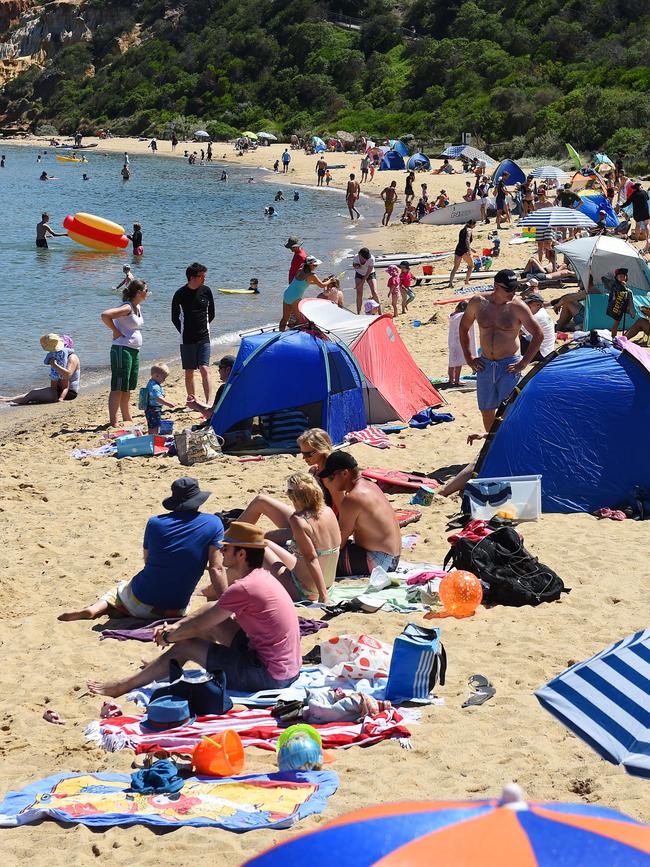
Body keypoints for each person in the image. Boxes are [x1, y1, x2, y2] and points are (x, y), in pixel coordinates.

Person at [86, 521, 301, 696]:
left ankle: (122, 686)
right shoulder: (261, 577)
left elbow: (201, 623)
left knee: (186, 645)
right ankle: (160, 666)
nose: (221, 551)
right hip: (287, 669)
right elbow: (212, 611)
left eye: (226, 548)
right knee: (209, 617)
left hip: (270, 677)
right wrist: (177, 626)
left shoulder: (245, 587)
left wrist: (171, 637)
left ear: (242, 554)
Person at [60, 478, 225, 622]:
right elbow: (216, 569)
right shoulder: (214, 523)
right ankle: (111, 608)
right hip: (176, 609)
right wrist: (228, 604)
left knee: (121, 588)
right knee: (191, 598)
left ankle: (95, 609)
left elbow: (148, 559)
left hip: (142, 602)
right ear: (199, 501)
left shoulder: (155, 523)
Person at [235, 473, 340, 603]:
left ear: (294, 497)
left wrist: (323, 596)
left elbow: (311, 558)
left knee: (256, 549)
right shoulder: (328, 511)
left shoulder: (299, 520)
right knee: (265, 543)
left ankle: (215, 586)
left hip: (304, 591)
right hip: (329, 585)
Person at [459, 269, 543, 430]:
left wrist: (524, 363)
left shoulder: (518, 306)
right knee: (486, 409)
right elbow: (463, 327)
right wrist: (469, 358)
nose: (513, 292)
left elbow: (538, 334)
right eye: (509, 289)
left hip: (509, 365)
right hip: (485, 364)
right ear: (496, 286)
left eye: (515, 288)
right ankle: (491, 445)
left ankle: (508, 442)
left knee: (510, 410)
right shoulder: (478, 302)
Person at [318, 452, 402, 576]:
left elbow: (338, 543)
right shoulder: (371, 485)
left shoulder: (353, 498)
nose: (330, 482)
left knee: (319, 558)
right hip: (393, 559)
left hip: (378, 563)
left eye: (331, 477)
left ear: (345, 473)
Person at [101, 279, 148, 426]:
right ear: (139, 293)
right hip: (122, 349)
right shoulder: (127, 307)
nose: (148, 293)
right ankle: (113, 421)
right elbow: (105, 315)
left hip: (133, 350)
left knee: (127, 386)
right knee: (118, 386)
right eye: (146, 291)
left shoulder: (137, 306)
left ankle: (127, 418)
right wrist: (115, 331)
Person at [171, 262, 215, 402]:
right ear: (192, 277)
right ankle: (192, 400)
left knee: (204, 368)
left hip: (204, 336)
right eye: (201, 276)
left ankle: (208, 401)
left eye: (204, 276)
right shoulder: (180, 294)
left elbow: (212, 314)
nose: (204, 278)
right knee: (189, 371)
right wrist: (184, 330)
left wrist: (203, 327)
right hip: (187, 338)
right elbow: (174, 318)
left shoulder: (206, 291)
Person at [1, 334, 81, 405]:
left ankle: (10, 403)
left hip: (68, 393)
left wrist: (54, 365)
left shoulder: (72, 358)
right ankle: (8, 399)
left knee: (33, 394)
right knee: (33, 391)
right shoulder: (59, 357)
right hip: (58, 389)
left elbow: (68, 375)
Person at [280, 256, 334, 331]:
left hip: (287, 294)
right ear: (310, 265)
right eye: (315, 265)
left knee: (285, 318)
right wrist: (330, 281)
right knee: (300, 319)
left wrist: (318, 282)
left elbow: (302, 283)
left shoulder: (299, 270)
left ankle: (280, 333)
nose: (316, 266)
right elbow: (322, 285)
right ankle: (297, 333)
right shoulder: (312, 275)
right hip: (295, 298)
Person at [447, 301, 475, 386]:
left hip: (452, 341)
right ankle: (457, 380)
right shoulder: (462, 316)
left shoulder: (452, 315)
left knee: (452, 361)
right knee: (458, 362)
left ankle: (451, 379)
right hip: (459, 341)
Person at [142, 363, 176, 434]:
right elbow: (158, 398)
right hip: (153, 409)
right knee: (154, 426)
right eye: (163, 378)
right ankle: (153, 437)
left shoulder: (151, 382)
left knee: (153, 424)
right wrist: (168, 404)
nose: (164, 380)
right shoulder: (155, 386)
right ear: (156, 376)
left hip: (151, 408)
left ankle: (152, 437)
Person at [520, 294, 555, 360]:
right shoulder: (542, 312)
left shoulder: (537, 316)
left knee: (513, 337)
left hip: (541, 353)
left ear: (538, 305)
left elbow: (518, 332)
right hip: (547, 351)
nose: (527, 305)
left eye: (529, 303)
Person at [449, 219, 477, 287]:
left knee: (455, 267)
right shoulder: (469, 230)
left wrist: (471, 249)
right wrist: (469, 250)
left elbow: (462, 242)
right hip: (464, 250)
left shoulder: (462, 229)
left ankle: (450, 283)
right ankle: (466, 281)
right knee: (471, 265)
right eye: (474, 224)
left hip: (458, 249)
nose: (475, 226)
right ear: (472, 224)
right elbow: (467, 240)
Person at [352, 247, 380, 314]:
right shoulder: (356, 257)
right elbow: (354, 265)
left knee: (374, 292)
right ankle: (358, 313)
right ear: (360, 255)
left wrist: (362, 282)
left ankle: (380, 312)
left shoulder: (371, 259)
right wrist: (356, 266)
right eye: (365, 258)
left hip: (370, 274)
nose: (366, 260)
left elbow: (368, 272)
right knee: (359, 293)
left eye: (367, 258)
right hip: (359, 273)